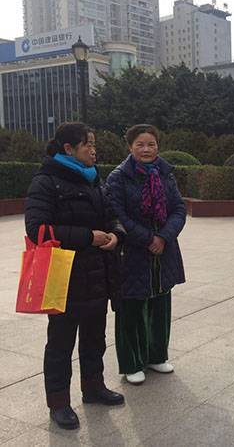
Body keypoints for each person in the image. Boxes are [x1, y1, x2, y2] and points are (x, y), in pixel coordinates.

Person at [25, 122, 125, 430]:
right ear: (68, 148)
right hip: (62, 275)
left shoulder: (94, 178)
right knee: (60, 344)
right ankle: (59, 403)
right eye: (87, 144)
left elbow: (111, 215)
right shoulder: (46, 182)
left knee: (95, 338)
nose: (94, 150)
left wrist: (116, 235)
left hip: (97, 273)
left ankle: (93, 388)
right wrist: (88, 237)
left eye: (94, 144)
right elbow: (38, 230)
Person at [106, 124, 186, 385]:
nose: (146, 149)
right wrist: (148, 238)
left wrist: (163, 237)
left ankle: (157, 355)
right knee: (132, 308)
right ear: (130, 147)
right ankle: (132, 362)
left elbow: (178, 208)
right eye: (140, 144)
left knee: (160, 305)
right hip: (133, 252)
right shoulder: (119, 177)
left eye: (151, 144)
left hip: (164, 251)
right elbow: (117, 215)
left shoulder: (165, 173)